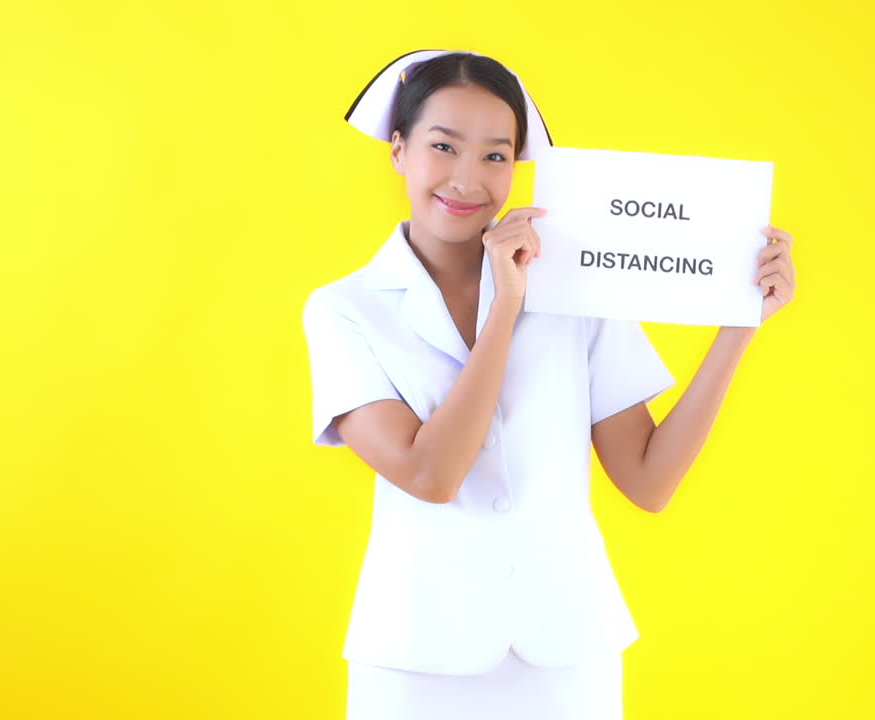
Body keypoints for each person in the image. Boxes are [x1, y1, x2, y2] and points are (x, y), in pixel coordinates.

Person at [303, 49, 796, 720]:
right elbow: (431, 475)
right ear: (398, 150)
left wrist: (740, 323)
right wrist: (505, 304)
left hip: (568, 654)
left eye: (495, 156)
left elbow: (649, 482)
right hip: (418, 652)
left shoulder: (575, 284)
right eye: (443, 146)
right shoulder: (345, 308)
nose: (467, 178)